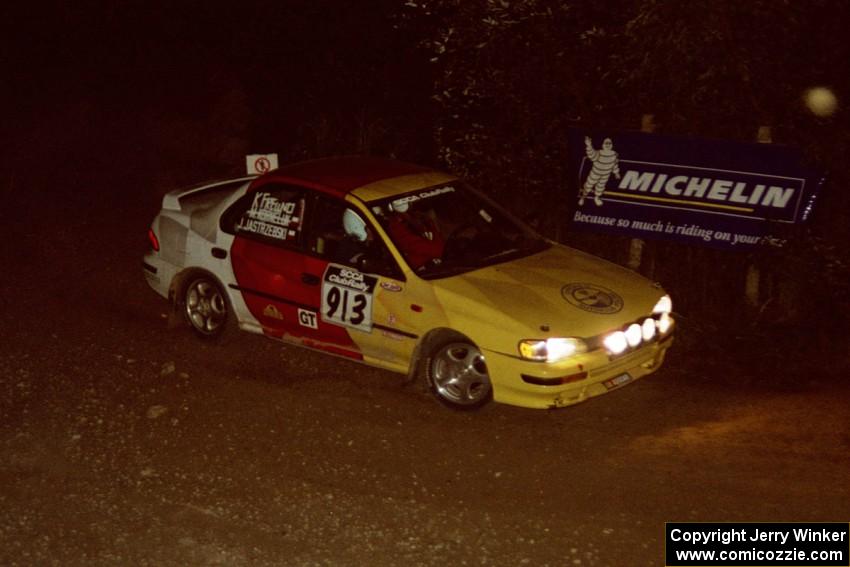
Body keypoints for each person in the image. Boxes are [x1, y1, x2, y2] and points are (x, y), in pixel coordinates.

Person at [385, 199, 445, 269]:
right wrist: (445, 251)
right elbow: (416, 246)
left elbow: (438, 240)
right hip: (419, 271)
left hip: (440, 264)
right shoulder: (395, 226)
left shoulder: (423, 219)